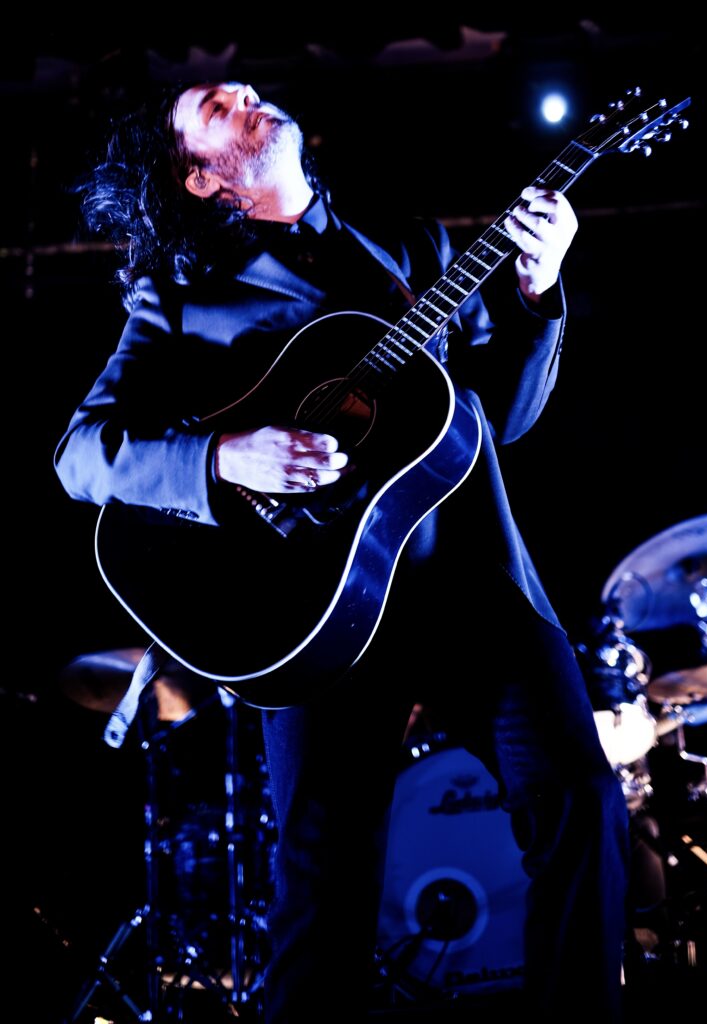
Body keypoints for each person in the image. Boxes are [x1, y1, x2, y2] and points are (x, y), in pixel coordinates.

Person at [54, 80, 630, 1022]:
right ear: (200, 178)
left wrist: (536, 290)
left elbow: (502, 418)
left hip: (467, 583)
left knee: (581, 802)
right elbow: (81, 455)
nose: (245, 91)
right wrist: (223, 457)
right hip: (306, 609)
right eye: (215, 106)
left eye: (242, 86)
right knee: (322, 884)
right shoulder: (183, 295)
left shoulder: (414, 247)